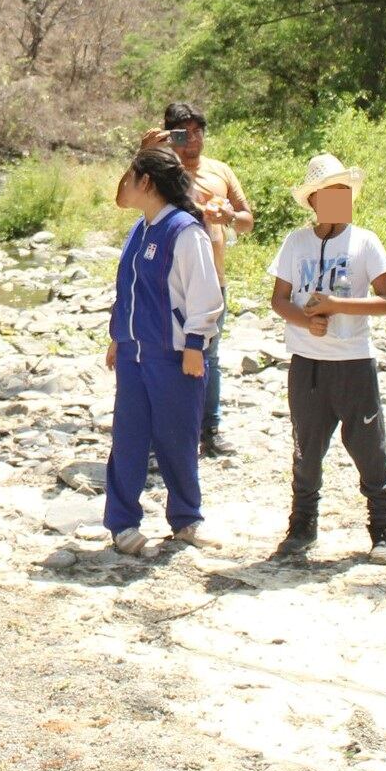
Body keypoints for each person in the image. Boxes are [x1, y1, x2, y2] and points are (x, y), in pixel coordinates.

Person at [267, 154, 386, 563]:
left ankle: (383, 526)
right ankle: (303, 524)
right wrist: (307, 322)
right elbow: (280, 300)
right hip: (307, 363)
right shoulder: (296, 242)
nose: (340, 199)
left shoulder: (365, 241)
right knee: (307, 445)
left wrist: (337, 305)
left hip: (354, 362)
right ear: (314, 200)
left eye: (345, 192)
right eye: (331, 192)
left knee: (367, 445)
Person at [105, 143, 224, 554]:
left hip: (173, 354)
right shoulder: (140, 228)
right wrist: (117, 338)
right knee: (128, 437)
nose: (126, 184)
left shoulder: (186, 232)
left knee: (178, 437)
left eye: (132, 175)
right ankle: (122, 525)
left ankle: (187, 519)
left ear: (147, 182)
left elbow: (205, 296)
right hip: (134, 354)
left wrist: (195, 344)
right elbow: (127, 290)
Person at [161, 103, 253, 457]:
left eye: (197, 131)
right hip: (167, 281)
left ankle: (209, 430)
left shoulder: (220, 171)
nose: (192, 140)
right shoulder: (162, 171)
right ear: (171, 135)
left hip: (213, 278)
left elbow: (247, 220)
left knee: (210, 355)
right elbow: (130, 201)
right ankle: (167, 431)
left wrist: (227, 214)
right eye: (182, 133)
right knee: (167, 353)